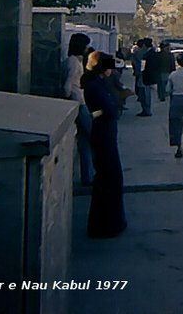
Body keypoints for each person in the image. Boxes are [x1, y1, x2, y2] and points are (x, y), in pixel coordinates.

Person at [81, 51, 127, 238]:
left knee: (111, 179)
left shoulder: (100, 83)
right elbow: (106, 110)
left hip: (106, 131)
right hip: (102, 133)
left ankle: (112, 221)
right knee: (108, 178)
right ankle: (105, 224)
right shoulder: (94, 86)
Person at [63, 33, 94, 186]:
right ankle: (89, 174)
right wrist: (67, 97)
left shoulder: (74, 61)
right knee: (91, 135)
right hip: (77, 101)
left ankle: (87, 174)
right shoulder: (74, 62)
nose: (87, 48)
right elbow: (68, 84)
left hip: (79, 99)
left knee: (84, 140)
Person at [131, 39, 148, 115]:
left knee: (142, 90)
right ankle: (146, 109)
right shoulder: (145, 52)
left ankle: (145, 109)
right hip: (142, 73)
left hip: (141, 73)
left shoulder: (138, 53)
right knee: (144, 90)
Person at [139, 38, 156, 116]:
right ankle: (148, 110)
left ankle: (146, 110)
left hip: (146, 77)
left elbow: (142, 68)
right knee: (149, 94)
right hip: (152, 76)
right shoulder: (154, 54)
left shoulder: (145, 55)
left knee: (146, 95)